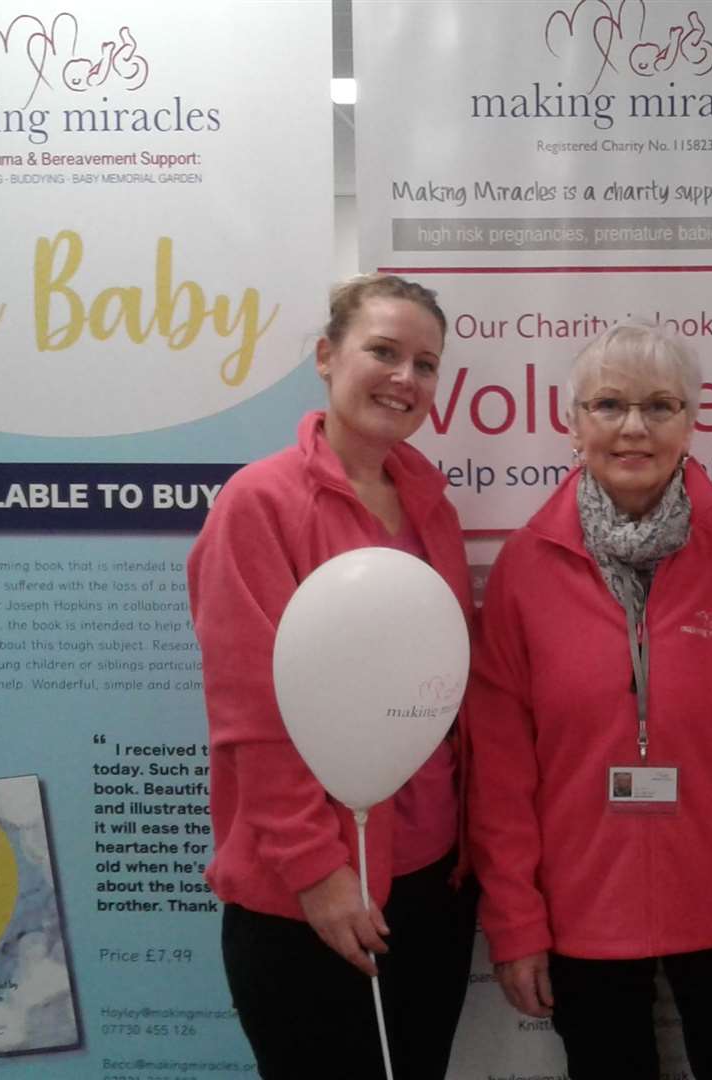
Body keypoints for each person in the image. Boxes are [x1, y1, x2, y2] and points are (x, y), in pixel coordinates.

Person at [468, 323, 712, 1080]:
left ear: (691, 424)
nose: (634, 427)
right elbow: (499, 770)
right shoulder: (523, 569)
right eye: (609, 404)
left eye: (660, 406)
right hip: (580, 915)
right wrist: (515, 920)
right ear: (573, 425)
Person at [186, 274, 478, 1079]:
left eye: (425, 363)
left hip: (431, 880)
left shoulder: (431, 509)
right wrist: (319, 877)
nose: (405, 379)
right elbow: (252, 714)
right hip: (306, 898)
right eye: (383, 352)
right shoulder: (260, 503)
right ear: (325, 356)